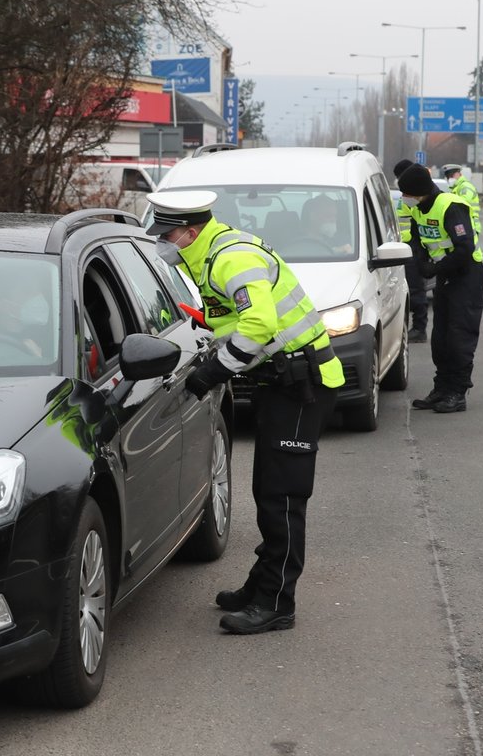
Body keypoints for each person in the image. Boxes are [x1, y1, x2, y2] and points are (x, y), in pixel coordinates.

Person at [145, 189, 344, 635]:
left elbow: (260, 325)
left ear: (190, 232)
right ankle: (261, 585)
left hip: (304, 386)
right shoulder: (211, 255)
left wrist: (213, 372)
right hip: (282, 383)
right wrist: (203, 325)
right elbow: (239, 320)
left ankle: (277, 603)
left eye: (167, 235)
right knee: (266, 491)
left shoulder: (231, 258)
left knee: (283, 498)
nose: (162, 243)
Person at [397, 164, 483, 413]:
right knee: (441, 338)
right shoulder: (419, 209)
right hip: (445, 276)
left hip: (466, 275)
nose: (404, 198)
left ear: (418, 191)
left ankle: (457, 392)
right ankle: (442, 388)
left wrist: (435, 269)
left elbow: (465, 248)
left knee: (460, 336)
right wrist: (421, 261)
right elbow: (415, 238)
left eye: (406, 193)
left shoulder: (450, 205)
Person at [393, 159, 430, 343]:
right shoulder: (405, 195)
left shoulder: (414, 195)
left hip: (413, 247)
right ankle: (410, 326)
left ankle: (420, 328)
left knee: (416, 289)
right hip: (403, 247)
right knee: (406, 288)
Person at [442, 164, 481, 233]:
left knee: (466, 243)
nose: (450, 178)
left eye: (452, 175)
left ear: (459, 174)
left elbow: (462, 204)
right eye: (448, 177)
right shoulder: (455, 188)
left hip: (470, 224)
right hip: (462, 224)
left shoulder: (465, 187)